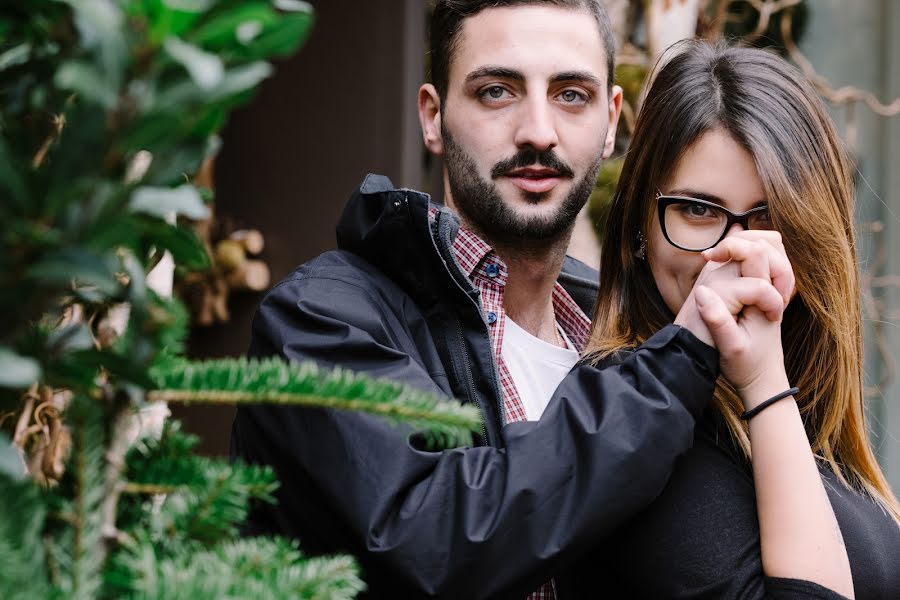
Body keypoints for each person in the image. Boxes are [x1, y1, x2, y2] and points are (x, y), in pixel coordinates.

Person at [230, 3, 791, 597]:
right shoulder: (321, 321)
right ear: (433, 115)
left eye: (571, 95)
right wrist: (679, 361)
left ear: (610, 124)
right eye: (497, 91)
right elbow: (435, 542)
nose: (538, 132)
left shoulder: (628, 337)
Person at [585, 40, 900, 598]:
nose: (734, 253)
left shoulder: (812, 428)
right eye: (698, 210)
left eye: (768, 216)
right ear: (639, 225)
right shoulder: (624, 412)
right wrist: (762, 380)